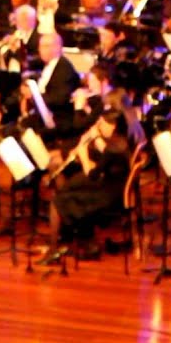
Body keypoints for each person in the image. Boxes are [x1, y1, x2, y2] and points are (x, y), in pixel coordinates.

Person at [37, 110, 132, 263]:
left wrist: (83, 155)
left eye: (102, 124)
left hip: (108, 196)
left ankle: (54, 250)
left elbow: (93, 174)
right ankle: (86, 241)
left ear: (113, 126)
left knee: (58, 201)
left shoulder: (113, 148)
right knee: (69, 191)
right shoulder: (119, 142)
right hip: (114, 188)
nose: (99, 127)